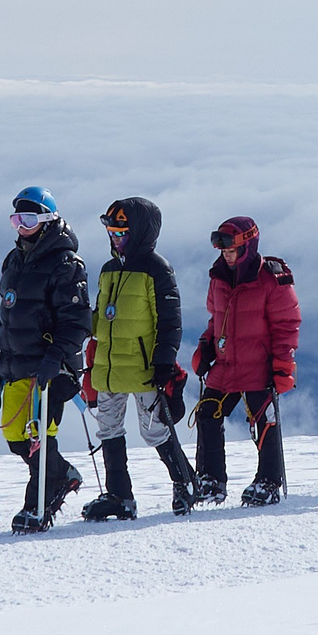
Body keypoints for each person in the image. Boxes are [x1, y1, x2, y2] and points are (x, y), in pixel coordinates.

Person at [0, 185, 92, 532]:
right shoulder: (15, 260)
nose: (21, 226)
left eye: (28, 219)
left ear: (48, 219)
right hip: (14, 362)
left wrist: (57, 358)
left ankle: (37, 505)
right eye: (16, 219)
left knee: (39, 435)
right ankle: (62, 474)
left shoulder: (66, 264)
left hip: (48, 367)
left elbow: (77, 321)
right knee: (14, 435)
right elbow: (7, 309)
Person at [80, 196, 201, 519]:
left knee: (155, 430)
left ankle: (185, 484)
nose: (115, 238)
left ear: (141, 232)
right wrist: (80, 320)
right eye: (112, 231)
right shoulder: (108, 270)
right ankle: (120, 496)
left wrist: (163, 362)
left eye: (122, 232)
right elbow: (102, 318)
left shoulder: (156, 269)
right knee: (108, 429)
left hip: (144, 366)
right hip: (107, 367)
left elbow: (170, 321)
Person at [192, 216, 300, 506]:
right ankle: (211, 479)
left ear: (248, 247)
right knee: (207, 414)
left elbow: (287, 325)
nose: (226, 256)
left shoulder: (271, 278)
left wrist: (283, 365)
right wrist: (206, 346)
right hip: (226, 366)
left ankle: (268, 481)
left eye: (231, 251)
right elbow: (217, 320)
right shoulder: (218, 278)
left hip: (258, 367)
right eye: (223, 252)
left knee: (265, 421)